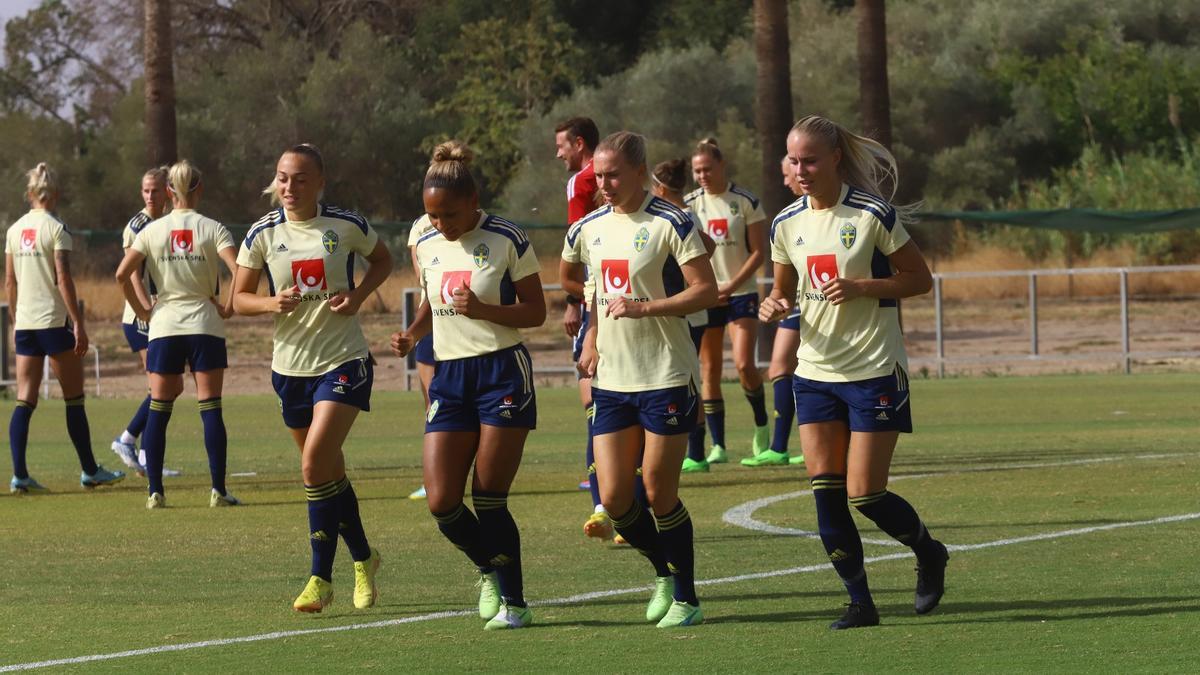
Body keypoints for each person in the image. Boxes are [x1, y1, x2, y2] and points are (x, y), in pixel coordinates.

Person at [760, 114, 947, 629]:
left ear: (835, 157)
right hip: (814, 371)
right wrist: (772, 306)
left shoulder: (871, 215)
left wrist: (863, 286)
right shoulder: (785, 223)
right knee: (825, 489)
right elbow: (782, 290)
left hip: (873, 369)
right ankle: (860, 602)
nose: (801, 169)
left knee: (865, 492)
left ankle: (929, 552)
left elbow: (919, 280)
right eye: (794, 160)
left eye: (811, 160)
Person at [391, 141, 545, 630]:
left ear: (474, 199)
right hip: (450, 375)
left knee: (489, 496)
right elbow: (435, 302)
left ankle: (514, 603)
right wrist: (413, 333)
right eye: (432, 215)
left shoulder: (506, 237)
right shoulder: (429, 244)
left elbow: (536, 311)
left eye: (450, 214)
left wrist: (484, 311)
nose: (441, 224)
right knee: (441, 501)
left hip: (501, 371)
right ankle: (488, 570)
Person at [569, 131, 718, 628]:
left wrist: (645, 308)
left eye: (613, 175)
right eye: (598, 176)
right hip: (613, 377)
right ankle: (663, 572)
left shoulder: (672, 222)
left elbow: (705, 291)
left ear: (639, 172)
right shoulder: (590, 228)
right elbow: (593, 295)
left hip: (666, 374)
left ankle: (688, 598)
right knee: (613, 499)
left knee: (658, 491)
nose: (604, 184)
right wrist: (591, 342)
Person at [233, 143, 390, 613]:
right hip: (290, 370)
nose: (289, 187)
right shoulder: (262, 232)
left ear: (320, 182)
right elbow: (237, 298)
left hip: (343, 361)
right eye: (283, 177)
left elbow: (382, 260)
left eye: (300, 179)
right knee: (327, 473)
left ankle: (320, 577)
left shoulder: (345, 225)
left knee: (314, 464)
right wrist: (268, 303)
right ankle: (364, 558)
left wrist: (359, 295)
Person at [115, 160, 239, 509]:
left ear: (169, 192)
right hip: (205, 324)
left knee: (159, 406)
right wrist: (228, 305)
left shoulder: (151, 230)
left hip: (164, 325)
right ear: (200, 189)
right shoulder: (214, 228)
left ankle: (155, 491)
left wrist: (142, 311)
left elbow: (122, 274)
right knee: (210, 406)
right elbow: (241, 268)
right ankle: (218, 490)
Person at [6, 163, 125, 493]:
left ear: (30, 194)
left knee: (24, 399)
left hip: (27, 324)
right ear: (54, 194)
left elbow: (9, 281)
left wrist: (16, 320)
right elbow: (63, 279)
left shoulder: (14, 231)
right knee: (74, 398)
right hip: (53, 323)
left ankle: (19, 476)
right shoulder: (57, 228)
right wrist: (78, 323)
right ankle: (90, 471)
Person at [686, 138, 770, 465]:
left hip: (741, 294)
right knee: (709, 371)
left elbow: (759, 252)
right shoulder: (690, 204)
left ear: (722, 166)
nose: (702, 175)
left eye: (707, 168)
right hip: (706, 297)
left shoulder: (746, 201)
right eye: (697, 171)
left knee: (745, 364)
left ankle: (762, 428)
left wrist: (731, 284)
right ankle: (717, 446)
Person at [553, 116, 613, 540]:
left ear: (578, 144)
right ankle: (616, 500)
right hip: (619, 293)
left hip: (598, 297)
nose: (559, 155)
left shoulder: (581, 182)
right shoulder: (623, 181)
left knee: (595, 401)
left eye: (561, 146)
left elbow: (577, 250)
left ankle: (603, 503)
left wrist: (575, 302)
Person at [110, 166, 181, 478]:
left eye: (155, 190)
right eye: (145, 191)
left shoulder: (166, 222)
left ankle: (138, 449)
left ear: (167, 191)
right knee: (163, 386)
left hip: (159, 316)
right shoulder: (138, 225)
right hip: (140, 318)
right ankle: (129, 442)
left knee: (167, 386)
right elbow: (131, 274)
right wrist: (146, 311)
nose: (150, 196)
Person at [650, 159, 715, 473]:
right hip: (688, 311)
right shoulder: (688, 212)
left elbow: (707, 247)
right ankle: (697, 450)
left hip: (685, 311)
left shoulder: (678, 216)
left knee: (686, 379)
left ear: (660, 188)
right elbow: (711, 246)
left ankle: (696, 450)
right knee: (690, 378)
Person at [750, 157, 808, 467]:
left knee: (782, 367)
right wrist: (774, 301)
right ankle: (780, 445)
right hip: (797, 304)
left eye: (788, 175)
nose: (787, 181)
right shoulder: (790, 219)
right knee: (780, 368)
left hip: (816, 305)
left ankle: (784, 445)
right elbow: (781, 284)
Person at [405, 217, 434, 501]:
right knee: (433, 404)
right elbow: (421, 276)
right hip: (431, 321)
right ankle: (433, 479)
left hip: (469, 323)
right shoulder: (420, 227)